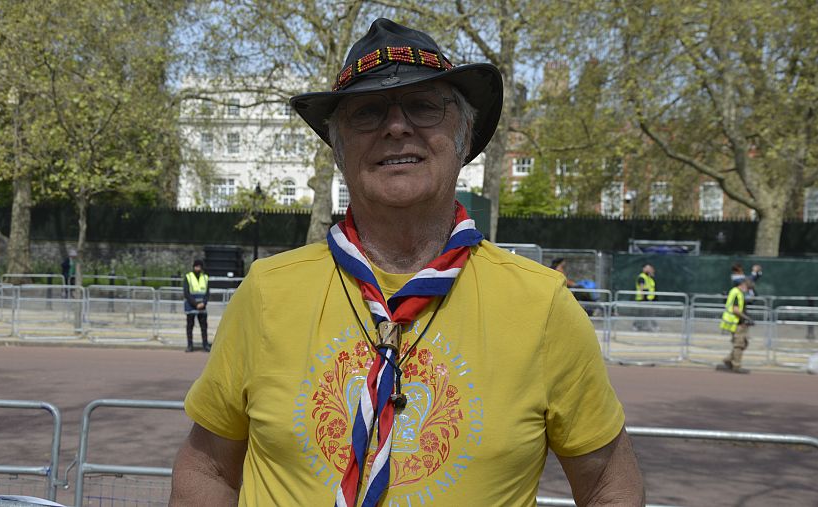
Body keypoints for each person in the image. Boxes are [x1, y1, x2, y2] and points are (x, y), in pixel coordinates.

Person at [170, 18, 643, 506]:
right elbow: (206, 468)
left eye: (423, 106)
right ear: (338, 148)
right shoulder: (268, 293)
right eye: (368, 112)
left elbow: (609, 482)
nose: (397, 127)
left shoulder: (542, 305)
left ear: (464, 138)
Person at [717, 279, 753, 374]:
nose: (748, 290)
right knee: (739, 344)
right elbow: (736, 310)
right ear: (742, 285)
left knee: (743, 344)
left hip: (737, 322)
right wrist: (747, 318)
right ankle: (736, 366)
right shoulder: (737, 293)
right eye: (748, 287)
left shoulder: (736, 292)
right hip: (736, 323)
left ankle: (728, 360)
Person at [183, 259, 211, 353]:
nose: (197, 268)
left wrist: (204, 303)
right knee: (190, 326)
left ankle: (205, 345)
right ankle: (190, 345)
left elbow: (207, 293)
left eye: (199, 266)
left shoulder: (205, 277)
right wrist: (196, 304)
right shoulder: (188, 277)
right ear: (193, 267)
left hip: (202, 306)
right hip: (191, 306)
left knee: (204, 327)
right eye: (196, 266)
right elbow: (186, 293)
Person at [634, 263, 657, 332]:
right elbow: (641, 288)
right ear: (643, 269)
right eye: (647, 268)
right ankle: (636, 326)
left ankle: (646, 327)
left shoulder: (649, 278)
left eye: (650, 268)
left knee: (647, 314)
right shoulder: (642, 277)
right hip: (642, 299)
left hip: (649, 299)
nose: (649, 270)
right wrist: (643, 297)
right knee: (641, 314)